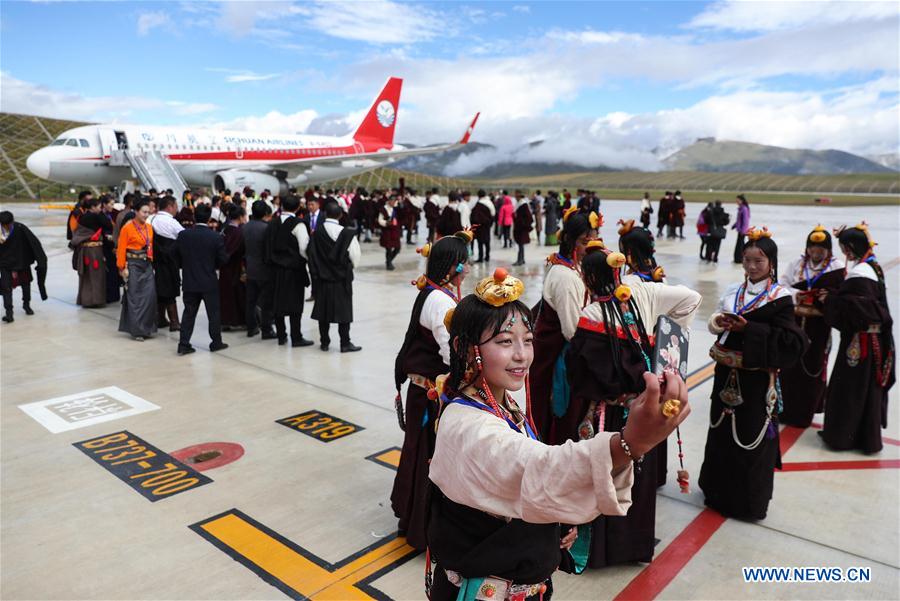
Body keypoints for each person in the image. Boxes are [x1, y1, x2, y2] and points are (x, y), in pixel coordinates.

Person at [425, 268, 691, 601]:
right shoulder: (468, 426)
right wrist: (629, 443)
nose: (522, 355)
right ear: (467, 349)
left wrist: (557, 519)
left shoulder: (500, 400)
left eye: (527, 340)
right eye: (505, 342)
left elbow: (522, 482)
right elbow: (534, 465)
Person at [560, 242, 701, 566]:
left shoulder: (589, 316)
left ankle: (597, 552)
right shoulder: (642, 296)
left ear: (589, 279)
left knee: (605, 476)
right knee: (637, 478)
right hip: (642, 408)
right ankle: (634, 547)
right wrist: (669, 346)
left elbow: (578, 373)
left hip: (606, 414)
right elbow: (690, 300)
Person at [700, 227, 806, 520]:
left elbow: (792, 341)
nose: (751, 266)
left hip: (755, 378)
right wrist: (718, 321)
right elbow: (714, 323)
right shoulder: (735, 291)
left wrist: (750, 329)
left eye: (758, 261)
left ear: (771, 262)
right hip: (725, 374)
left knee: (750, 436)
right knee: (721, 434)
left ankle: (746, 502)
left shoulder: (780, 298)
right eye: (747, 260)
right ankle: (716, 492)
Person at [391, 232, 472, 550]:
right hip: (429, 398)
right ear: (453, 266)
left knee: (422, 455)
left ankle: (415, 521)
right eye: (464, 262)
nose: (468, 268)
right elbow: (448, 352)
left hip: (425, 394)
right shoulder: (439, 300)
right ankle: (424, 529)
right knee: (430, 459)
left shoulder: (437, 292)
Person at [819, 223, 895, 453]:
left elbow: (856, 309)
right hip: (874, 342)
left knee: (850, 390)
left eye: (845, 248)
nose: (845, 254)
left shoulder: (860, 273)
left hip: (859, 342)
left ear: (851, 248)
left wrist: (829, 300)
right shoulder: (873, 267)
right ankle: (865, 438)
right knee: (866, 389)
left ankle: (842, 437)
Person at [529, 209, 599, 439]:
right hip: (557, 359)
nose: (588, 247)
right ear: (570, 241)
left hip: (566, 355)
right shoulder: (565, 277)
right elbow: (571, 331)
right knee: (561, 422)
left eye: (592, 240)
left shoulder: (572, 268)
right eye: (583, 241)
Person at [777, 226, 845, 427]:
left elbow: (840, 294)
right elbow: (781, 286)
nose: (816, 252)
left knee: (813, 367)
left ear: (828, 250)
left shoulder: (836, 267)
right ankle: (784, 409)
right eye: (812, 248)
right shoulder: (796, 264)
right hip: (795, 321)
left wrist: (826, 297)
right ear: (807, 248)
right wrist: (797, 295)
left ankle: (804, 412)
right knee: (790, 366)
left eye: (821, 249)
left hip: (819, 326)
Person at [307, 201, 362, 352]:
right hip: (341, 278)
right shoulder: (347, 233)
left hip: (323, 278)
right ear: (340, 215)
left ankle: (324, 342)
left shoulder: (317, 232)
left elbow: (311, 254)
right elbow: (355, 257)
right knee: (344, 312)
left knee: (323, 312)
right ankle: (345, 343)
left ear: (325, 214)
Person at [174, 203, 229, 354]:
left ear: (194, 216)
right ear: (209, 217)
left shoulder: (184, 235)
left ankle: (183, 344)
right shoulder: (215, 237)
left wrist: (184, 264)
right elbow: (223, 259)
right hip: (209, 281)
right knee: (213, 313)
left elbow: (174, 254)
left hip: (190, 280)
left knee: (189, 313)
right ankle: (216, 342)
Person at [266, 195, 314, 347]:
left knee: (278, 303)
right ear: (298, 207)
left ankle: (281, 336)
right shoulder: (298, 224)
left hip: (275, 270)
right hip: (294, 270)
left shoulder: (272, 223)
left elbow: (268, 246)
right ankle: (296, 337)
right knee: (295, 305)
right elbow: (304, 248)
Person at [117, 199, 158, 341]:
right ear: (136, 211)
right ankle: (137, 331)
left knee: (149, 296)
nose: (146, 215)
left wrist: (151, 261)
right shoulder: (127, 228)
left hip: (146, 264)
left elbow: (150, 246)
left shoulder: (149, 227)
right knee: (135, 297)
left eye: (148, 212)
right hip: (132, 264)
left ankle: (148, 328)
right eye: (144, 212)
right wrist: (122, 267)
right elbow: (121, 248)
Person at [0, 211, 47, 323]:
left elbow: (34, 243)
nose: (6, 226)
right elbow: (35, 243)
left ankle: (26, 306)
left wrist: (40, 260)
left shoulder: (20, 228)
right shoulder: (19, 227)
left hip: (21, 263)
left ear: (12, 221)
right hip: (8, 264)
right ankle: (10, 314)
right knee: (8, 288)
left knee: (24, 286)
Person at [149, 195, 184, 331]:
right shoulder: (172, 222)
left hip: (156, 260)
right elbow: (183, 236)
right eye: (175, 206)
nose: (177, 209)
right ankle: (174, 322)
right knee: (170, 290)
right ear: (170, 207)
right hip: (170, 261)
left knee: (160, 288)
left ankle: (160, 318)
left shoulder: (151, 219)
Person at [244, 201, 276, 339]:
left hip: (250, 268)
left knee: (251, 301)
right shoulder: (267, 228)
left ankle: (251, 327)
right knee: (266, 302)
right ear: (265, 213)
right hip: (265, 269)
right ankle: (267, 329)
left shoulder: (245, 227)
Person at [70, 198, 107, 308]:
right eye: (99, 207)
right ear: (93, 207)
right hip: (94, 251)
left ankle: (85, 299)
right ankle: (96, 299)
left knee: (86, 276)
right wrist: (102, 214)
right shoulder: (95, 216)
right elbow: (107, 225)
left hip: (84, 250)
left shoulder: (82, 217)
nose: (101, 209)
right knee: (97, 275)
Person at [219, 204, 247, 330]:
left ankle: (225, 320)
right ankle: (236, 320)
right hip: (235, 267)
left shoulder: (225, 229)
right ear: (241, 217)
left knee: (225, 295)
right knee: (236, 295)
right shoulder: (237, 232)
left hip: (224, 268)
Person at [470, 189, 495, 263]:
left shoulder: (478, 204)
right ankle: (487, 257)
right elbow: (493, 214)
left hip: (480, 226)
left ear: (478, 195)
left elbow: (474, 215)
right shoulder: (489, 202)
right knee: (487, 241)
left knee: (480, 242)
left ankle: (480, 257)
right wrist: (490, 223)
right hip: (487, 226)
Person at [379, 195, 402, 271]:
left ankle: (389, 261)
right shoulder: (383, 209)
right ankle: (389, 264)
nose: (393, 202)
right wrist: (386, 223)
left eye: (394, 201)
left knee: (397, 248)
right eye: (392, 200)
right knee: (388, 248)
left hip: (394, 231)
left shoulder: (395, 209)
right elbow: (380, 220)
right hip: (387, 231)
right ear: (389, 201)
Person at [512, 192, 533, 266]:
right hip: (519, 227)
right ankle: (522, 259)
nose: (515, 198)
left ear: (519, 197)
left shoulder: (523, 205)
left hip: (521, 228)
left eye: (516, 197)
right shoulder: (520, 204)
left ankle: (520, 260)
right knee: (520, 244)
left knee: (520, 244)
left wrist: (521, 222)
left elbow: (528, 217)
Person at [732, 194, 751, 264]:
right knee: (739, 245)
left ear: (741, 201)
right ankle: (737, 259)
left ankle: (739, 259)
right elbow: (739, 220)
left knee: (740, 246)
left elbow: (745, 221)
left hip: (742, 230)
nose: (736, 201)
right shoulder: (741, 208)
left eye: (737, 200)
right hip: (740, 230)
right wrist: (734, 225)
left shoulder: (744, 209)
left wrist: (743, 231)